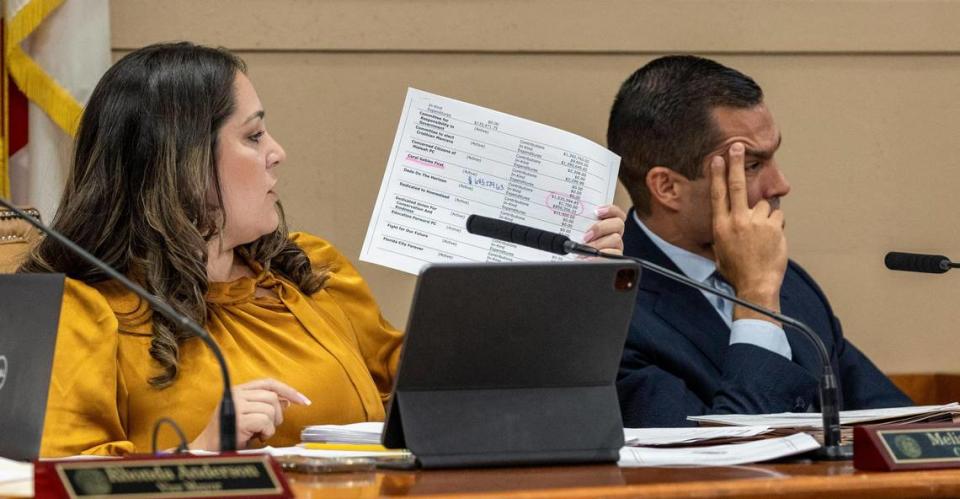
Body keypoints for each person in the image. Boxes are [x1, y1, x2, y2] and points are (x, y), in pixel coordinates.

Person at [23, 42, 627, 456]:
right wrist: (199, 451)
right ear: (179, 162)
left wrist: (563, 281)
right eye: (253, 135)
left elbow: (443, 389)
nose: (277, 152)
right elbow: (54, 481)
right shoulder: (82, 312)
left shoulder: (311, 269)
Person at [606, 55, 911, 428]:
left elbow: (896, 426)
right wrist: (756, 298)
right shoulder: (610, 314)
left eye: (773, 156)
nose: (780, 185)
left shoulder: (794, 285)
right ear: (668, 187)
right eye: (752, 165)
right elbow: (718, 464)